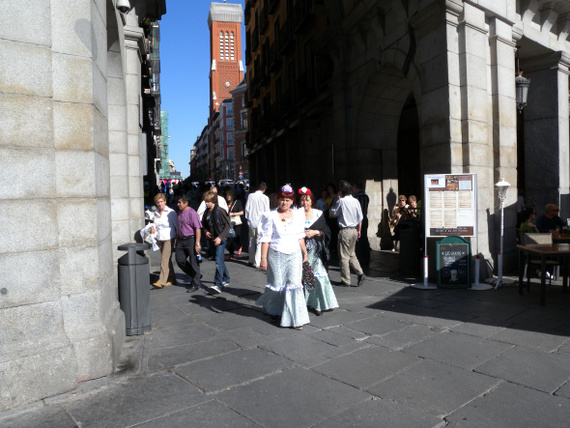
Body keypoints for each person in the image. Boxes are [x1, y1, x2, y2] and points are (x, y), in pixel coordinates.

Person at [256, 184, 310, 330]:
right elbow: (265, 239)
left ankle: (296, 318)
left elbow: (300, 236)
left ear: (292, 201)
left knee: (294, 285)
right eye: (282, 200)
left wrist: (305, 253)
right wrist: (263, 258)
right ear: (277, 200)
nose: (284, 203)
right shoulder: (270, 216)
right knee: (277, 285)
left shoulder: (297, 215)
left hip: (294, 254)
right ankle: (275, 309)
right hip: (276, 253)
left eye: (287, 200)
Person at [298, 187, 338, 316]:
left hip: (316, 251)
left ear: (312, 201)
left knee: (319, 276)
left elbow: (326, 231)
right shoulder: (296, 214)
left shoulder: (318, 213)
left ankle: (320, 302)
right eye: (302, 200)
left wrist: (315, 232)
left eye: (307, 200)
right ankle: (309, 302)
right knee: (306, 276)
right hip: (300, 250)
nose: (305, 203)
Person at [330, 180, 366, 287]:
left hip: (345, 230)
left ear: (341, 191)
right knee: (352, 254)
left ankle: (346, 280)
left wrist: (336, 200)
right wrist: (359, 230)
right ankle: (360, 272)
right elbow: (360, 217)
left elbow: (333, 213)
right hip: (354, 229)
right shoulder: (355, 201)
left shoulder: (341, 201)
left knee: (344, 256)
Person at [201, 191, 231, 295]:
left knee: (218, 261)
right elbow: (203, 224)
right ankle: (226, 278)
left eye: (208, 202)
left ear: (213, 201)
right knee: (219, 260)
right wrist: (205, 231)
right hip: (211, 240)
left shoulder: (220, 211)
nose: (206, 204)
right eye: (205, 201)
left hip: (220, 240)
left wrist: (220, 237)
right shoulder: (206, 212)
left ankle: (218, 284)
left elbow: (228, 226)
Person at [175, 195, 203, 292]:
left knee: (194, 262)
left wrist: (197, 243)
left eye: (180, 202)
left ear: (186, 203)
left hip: (191, 239)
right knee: (179, 260)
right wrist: (177, 239)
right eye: (178, 202)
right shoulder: (179, 213)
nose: (178, 204)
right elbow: (179, 227)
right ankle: (195, 275)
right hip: (181, 240)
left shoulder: (192, 213)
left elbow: (198, 229)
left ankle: (195, 284)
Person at [150, 193, 178, 288]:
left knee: (164, 259)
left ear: (165, 201)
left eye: (161, 202)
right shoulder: (156, 213)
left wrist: (177, 239)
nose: (160, 204)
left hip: (169, 238)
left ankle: (161, 281)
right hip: (160, 238)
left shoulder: (171, 212)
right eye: (158, 202)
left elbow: (177, 226)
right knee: (167, 259)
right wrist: (153, 229)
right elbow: (155, 224)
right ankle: (172, 278)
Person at [245, 182, 270, 268]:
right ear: (264, 189)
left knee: (251, 240)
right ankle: (257, 261)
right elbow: (267, 212)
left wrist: (247, 219)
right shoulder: (265, 198)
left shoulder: (250, 196)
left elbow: (247, 209)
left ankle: (251, 260)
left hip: (252, 221)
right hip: (261, 222)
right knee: (259, 242)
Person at [352, 181, 370, 266]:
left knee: (358, 240)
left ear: (355, 187)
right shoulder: (366, 196)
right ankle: (366, 258)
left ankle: (359, 259)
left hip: (357, 220)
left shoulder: (355, 197)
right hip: (365, 218)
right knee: (364, 238)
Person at [225, 189, 244, 259]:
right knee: (229, 239)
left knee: (236, 236)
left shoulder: (237, 202)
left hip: (236, 223)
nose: (228, 197)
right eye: (227, 195)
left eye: (229, 195)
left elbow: (242, 212)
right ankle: (231, 253)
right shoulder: (225, 204)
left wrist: (233, 214)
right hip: (228, 223)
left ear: (233, 196)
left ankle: (239, 245)